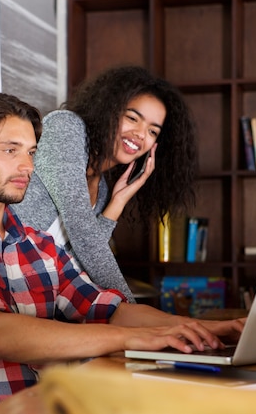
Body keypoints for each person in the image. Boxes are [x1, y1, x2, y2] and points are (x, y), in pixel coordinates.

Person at [0, 92, 243, 414]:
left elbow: (108, 309)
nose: (28, 167)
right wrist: (132, 338)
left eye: (31, 152)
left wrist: (207, 329)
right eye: (10, 150)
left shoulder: (39, 244)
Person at [12, 65, 198, 302]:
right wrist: (130, 306)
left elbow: (79, 260)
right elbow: (83, 235)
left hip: (36, 302)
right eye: (132, 118)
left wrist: (116, 204)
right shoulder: (66, 128)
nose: (141, 134)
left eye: (152, 131)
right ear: (109, 110)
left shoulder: (102, 192)